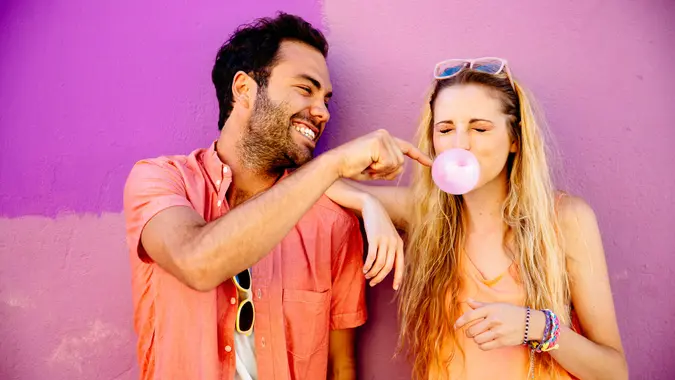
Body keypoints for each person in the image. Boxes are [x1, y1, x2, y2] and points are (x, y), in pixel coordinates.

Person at [122, 13, 431, 380]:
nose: (322, 112)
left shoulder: (332, 219)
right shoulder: (161, 180)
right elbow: (196, 261)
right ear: (244, 90)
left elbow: (340, 365)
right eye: (305, 89)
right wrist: (334, 166)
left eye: (326, 99)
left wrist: (368, 200)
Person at [326, 58, 627, 379]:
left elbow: (613, 371)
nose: (459, 144)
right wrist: (366, 202)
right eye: (445, 129)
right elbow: (309, 184)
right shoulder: (424, 213)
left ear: (515, 139)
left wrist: (536, 325)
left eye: (480, 128)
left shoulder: (566, 219)